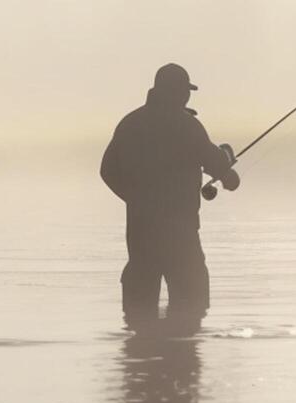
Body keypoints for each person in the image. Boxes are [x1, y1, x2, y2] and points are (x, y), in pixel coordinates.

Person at [100, 63, 240, 335]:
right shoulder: (187, 126)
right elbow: (226, 176)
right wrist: (228, 171)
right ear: (177, 92)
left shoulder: (130, 124)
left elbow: (107, 171)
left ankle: (142, 367)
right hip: (181, 233)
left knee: (138, 318)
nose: (187, 97)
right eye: (185, 92)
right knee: (191, 311)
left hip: (140, 232)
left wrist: (135, 199)